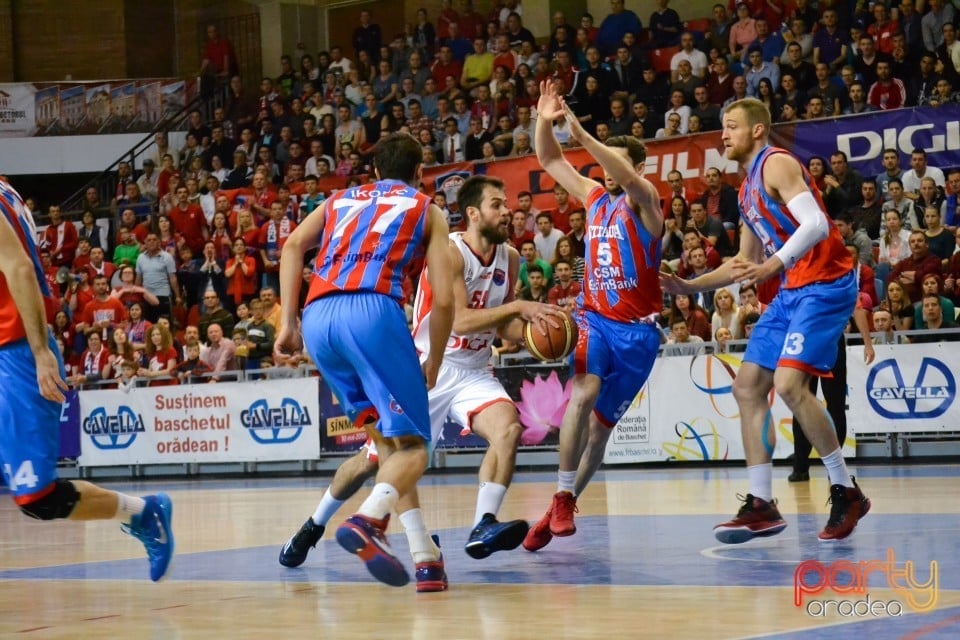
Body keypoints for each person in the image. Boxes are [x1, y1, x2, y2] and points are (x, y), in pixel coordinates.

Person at [277, 175, 564, 586]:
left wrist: (540, 338)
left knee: (508, 427)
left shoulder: (511, 258)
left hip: (473, 370)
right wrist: (520, 306)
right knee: (378, 459)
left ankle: (484, 522)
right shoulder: (449, 251)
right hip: (428, 362)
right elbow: (461, 318)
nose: (509, 211)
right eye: (497, 204)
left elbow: (500, 329)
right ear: (472, 213)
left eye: (506, 205)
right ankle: (312, 526)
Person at [660, 98, 871, 543]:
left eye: (731, 126)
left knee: (792, 386)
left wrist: (774, 265)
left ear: (757, 131)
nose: (723, 135)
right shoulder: (744, 190)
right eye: (722, 128)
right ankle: (761, 504)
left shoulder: (776, 164)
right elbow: (743, 262)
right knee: (748, 386)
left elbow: (815, 223)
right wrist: (686, 285)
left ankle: (845, 489)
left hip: (827, 282)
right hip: (795, 287)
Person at [273, 133, 454, 588]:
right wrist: (433, 357)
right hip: (372, 312)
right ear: (419, 173)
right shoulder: (427, 208)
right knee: (415, 447)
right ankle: (368, 520)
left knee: (390, 446)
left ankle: (424, 557)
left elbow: (293, 246)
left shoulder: (339, 199)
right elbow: (446, 301)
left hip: (318, 318)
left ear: (373, 171)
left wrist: (287, 324)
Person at [0, 178, 173, 581]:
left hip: (17, 349)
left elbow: (19, 267)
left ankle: (144, 514)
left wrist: (41, 352)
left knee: (38, 497)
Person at [524, 80, 665, 552]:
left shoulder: (646, 203)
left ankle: (559, 505)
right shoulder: (593, 197)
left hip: (639, 337)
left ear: (637, 166)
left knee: (600, 433)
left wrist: (582, 133)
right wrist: (545, 121)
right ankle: (563, 495)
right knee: (582, 394)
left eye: (615, 160)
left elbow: (624, 178)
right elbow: (548, 160)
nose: (604, 170)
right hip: (594, 322)